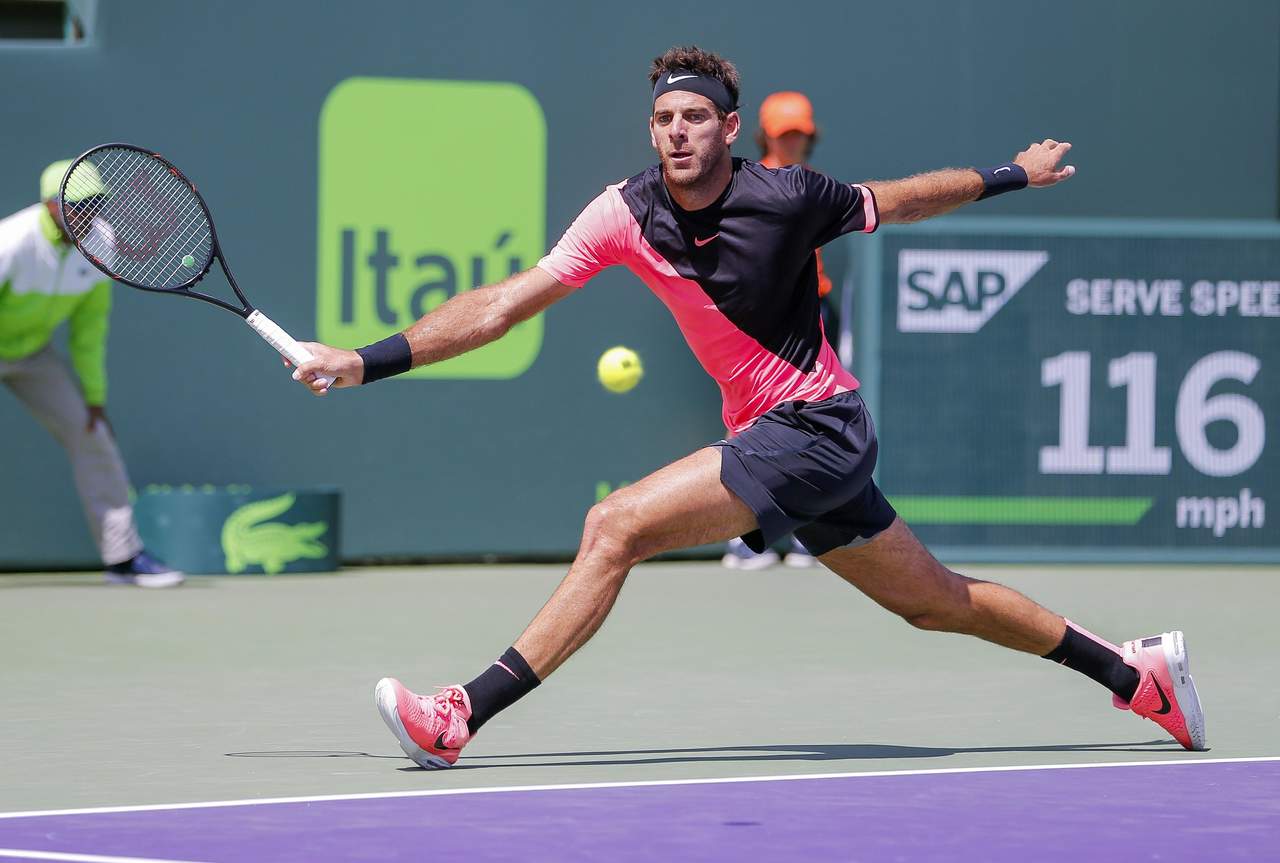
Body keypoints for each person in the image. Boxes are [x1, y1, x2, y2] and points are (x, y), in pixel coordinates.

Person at [291, 46, 1205, 766]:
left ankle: (458, 715)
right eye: (662, 120)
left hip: (816, 427)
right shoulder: (622, 213)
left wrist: (1011, 174)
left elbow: (904, 199)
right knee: (937, 602)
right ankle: (1136, 673)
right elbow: (501, 304)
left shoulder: (790, 196)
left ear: (728, 127)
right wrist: (367, 361)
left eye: (694, 117)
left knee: (613, 525)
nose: (676, 133)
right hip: (790, 441)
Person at [0, 160, 184, 587]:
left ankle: (123, 559)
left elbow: (90, 330)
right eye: (76, 205)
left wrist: (94, 396)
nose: (87, 214)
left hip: (31, 355)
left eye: (96, 203)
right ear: (49, 206)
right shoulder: (11, 243)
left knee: (92, 435)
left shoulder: (101, 245)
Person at [721, 90, 832, 571]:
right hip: (761, 322)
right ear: (766, 134)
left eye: (800, 135)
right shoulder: (749, 185)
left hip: (816, 315)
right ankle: (750, 538)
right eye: (785, 134)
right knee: (753, 429)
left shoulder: (812, 185)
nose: (793, 143)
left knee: (816, 427)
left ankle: (809, 534)